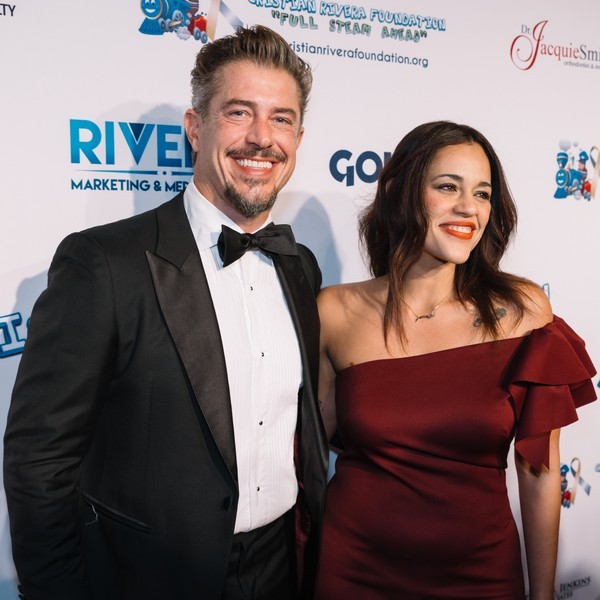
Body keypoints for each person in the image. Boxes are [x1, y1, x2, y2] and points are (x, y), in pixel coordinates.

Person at [4, 25, 328, 600]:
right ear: (195, 127)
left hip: (281, 568)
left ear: (298, 138)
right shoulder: (103, 263)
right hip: (146, 578)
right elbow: (40, 457)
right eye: (238, 113)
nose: (262, 138)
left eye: (281, 119)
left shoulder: (299, 266)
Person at [315, 121, 597, 599]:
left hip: (482, 575)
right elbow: (305, 455)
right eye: (448, 187)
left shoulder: (523, 313)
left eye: (483, 194)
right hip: (354, 571)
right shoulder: (334, 311)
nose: (469, 207)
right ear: (400, 192)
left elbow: (539, 470)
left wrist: (543, 594)